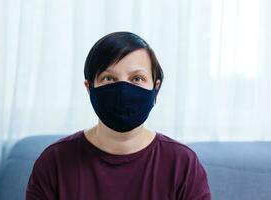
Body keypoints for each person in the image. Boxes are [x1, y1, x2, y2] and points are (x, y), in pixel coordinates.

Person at [26, 31, 211, 200]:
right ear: (89, 88)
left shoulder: (183, 165)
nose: (122, 90)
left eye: (137, 79)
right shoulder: (54, 162)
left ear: (156, 88)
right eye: (109, 78)